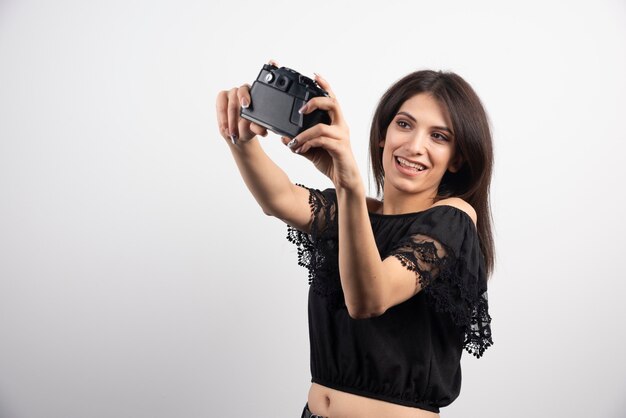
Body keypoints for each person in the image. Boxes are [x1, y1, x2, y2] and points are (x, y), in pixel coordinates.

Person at [215, 62, 494, 418]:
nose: (414, 146)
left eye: (438, 136)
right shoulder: (358, 212)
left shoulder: (454, 218)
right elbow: (280, 199)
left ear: (457, 159)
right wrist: (238, 132)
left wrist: (347, 182)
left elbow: (368, 300)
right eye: (404, 125)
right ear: (383, 134)